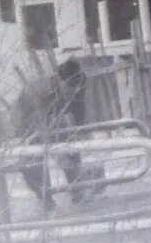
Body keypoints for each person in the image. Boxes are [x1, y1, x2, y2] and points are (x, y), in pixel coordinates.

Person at [12, 59, 104, 210]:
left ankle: (78, 193)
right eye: (70, 87)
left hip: (53, 118)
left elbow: (79, 110)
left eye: (76, 87)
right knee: (34, 162)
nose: (73, 91)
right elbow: (40, 124)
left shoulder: (79, 83)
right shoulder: (41, 90)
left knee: (71, 151)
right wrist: (58, 150)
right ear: (60, 80)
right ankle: (46, 200)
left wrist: (83, 136)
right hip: (27, 121)